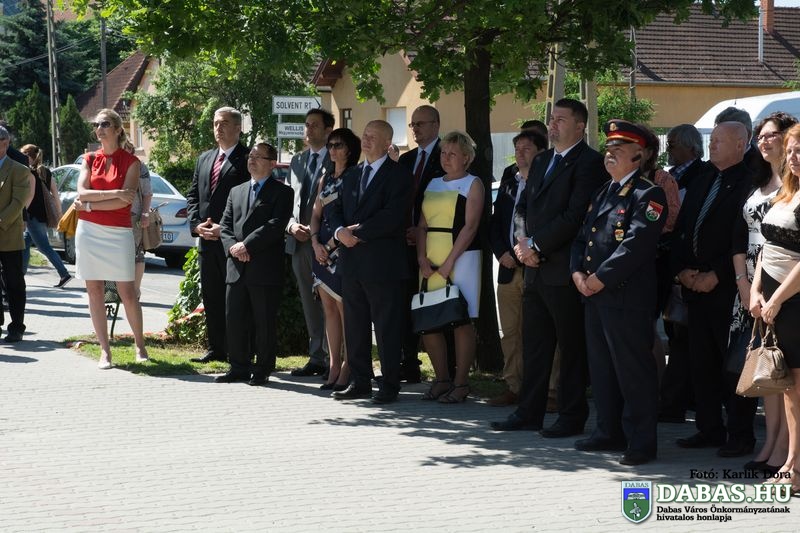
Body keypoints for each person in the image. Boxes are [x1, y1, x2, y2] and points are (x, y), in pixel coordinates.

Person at [490, 98, 607, 436]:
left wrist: (537, 246)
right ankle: (529, 412)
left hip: (565, 270)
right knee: (535, 345)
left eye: (561, 120)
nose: (552, 125)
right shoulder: (542, 160)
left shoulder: (590, 163)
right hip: (534, 269)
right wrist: (523, 245)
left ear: (580, 127)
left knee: (570, 348)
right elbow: (523, 207)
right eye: (552, 119)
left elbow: (574, 216)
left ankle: (571, 415)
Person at [571, 120, 668, 466]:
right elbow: (582, 239)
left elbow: (636, 245)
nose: (609, 153)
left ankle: (641, 442)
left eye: (618, 149)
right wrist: (577, 273)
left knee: (633, 372)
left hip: (625, 298)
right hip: (595, 295)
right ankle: (608, 431)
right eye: (608, 148)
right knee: (602, 369)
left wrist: (600, 278)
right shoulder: (603, 192)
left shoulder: (648, 194)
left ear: (638, 156)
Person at [671, 121, 754, 454]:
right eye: (712, 139)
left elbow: (744, 239)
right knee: (701, 363)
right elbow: (682, 228)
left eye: (720, 140)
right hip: (693, 285)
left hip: (728, 289)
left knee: (732, 365)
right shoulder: (703, 178)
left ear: (740, 145)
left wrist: (717, 274)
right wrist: (681, 270)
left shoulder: (749, 183)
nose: (712, 144)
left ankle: (740, 435)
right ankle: (709, 428)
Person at [329, 120, 412, 404]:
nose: (365, 140)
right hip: (352, 262)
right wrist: (339, 232)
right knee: (355, 325)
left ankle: (389, 385)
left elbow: (393, 215)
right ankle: (360, 381)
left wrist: (358, 234)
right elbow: (335, 209)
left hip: (382, 263)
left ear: (388, 143)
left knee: (387, 327)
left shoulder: (399, 175)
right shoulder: (352, 174)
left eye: (372, 137)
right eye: (364, 135)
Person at [736, 112, 797, 472]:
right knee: (774, 374)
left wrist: (772, 297)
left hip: (788, 294)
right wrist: (751, 287)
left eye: (771, 135)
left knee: (791, 380)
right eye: (759, 136)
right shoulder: (764, 184)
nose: (763, 141)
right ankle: (776, 447)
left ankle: (789, 457)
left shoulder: (794, 190)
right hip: (762, 290)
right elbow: (753, 242)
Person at [73, 109, 146, 368]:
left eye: (105, 124)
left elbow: (124, 202)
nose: (99, 129)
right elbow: (81, 192)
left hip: (118, 232)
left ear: (117, 129)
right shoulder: (89, 158)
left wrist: (89, 205)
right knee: (94, 291)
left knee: (127, 291)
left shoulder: (132, 162)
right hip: (88, 232)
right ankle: (105, 351)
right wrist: (113, 193)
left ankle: (140, 346)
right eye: (96, 124)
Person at [416, 131, 485, 403]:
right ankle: (441, 379)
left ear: (466, 158)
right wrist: (422, 258)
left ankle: (461, 383)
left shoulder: (473, 183)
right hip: (430, 257)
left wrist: (448, 263)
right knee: (429, 318)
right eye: (443, 153)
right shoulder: (433, 183)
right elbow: (421, 225)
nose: (446, 158)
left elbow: (471, 227)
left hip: (462, 258)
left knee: (461, 320)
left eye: (452, 153)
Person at [217, 142, 294, 385]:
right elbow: (225, 225)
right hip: (237, 267)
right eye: (251, 155)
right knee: (235, 319)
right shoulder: (236, 191)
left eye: (258, 156)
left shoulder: (283, 192)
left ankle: (263, 368)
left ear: (272, 164)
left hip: (264, 268)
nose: (252, 159)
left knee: (264, 322)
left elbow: (275, 225)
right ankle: (238, 366)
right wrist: (233, 247)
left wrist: (247, 246)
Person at [750, 123, 800, 492]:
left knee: (795, 389)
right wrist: (756, 291)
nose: (794, 157)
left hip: (793, 302)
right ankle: (790, 461)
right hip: (772, 302)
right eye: (792, 149)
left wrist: (777, 299)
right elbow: (767, 248)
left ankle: (794, 468)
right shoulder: (786, 192)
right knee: (787, 389)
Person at [186, 106, 250, 364]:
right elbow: (193, 196)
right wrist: (196, 225)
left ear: (238, 128)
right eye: (215, 123)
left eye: (224, 123)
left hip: (232, 242)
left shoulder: (247, 159)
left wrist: (224, 230)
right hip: (206, 241)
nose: (218, 128)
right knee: (211, 296)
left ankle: (239, 350)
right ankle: (217, 349)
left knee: (235, 299)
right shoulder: (205, 159)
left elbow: (250, 202)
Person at [488, 129, 547, 407]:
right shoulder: (510, 182)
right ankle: (514, 386)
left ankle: (551, 392)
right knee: (511, 332)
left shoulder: (547, 181)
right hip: (509, 268)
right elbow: (496, 222)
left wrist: (525, 252)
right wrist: (502, 253)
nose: (520, 153)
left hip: (537, 267)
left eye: (526, 148)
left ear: (541, 153)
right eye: (517, 148)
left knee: (542, 333)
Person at [659, 123, 709, 423]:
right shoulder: (670, 175)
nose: (670, 149)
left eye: (674, 143)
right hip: (672, 263)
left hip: (691, 266)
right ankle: (677, 400)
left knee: (684, 338)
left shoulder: (701, 175)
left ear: (691, 146)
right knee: (676, 333)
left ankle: (676, 403)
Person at [310, 128, 361, 391]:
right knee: (328, 309)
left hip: (342, 249)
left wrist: (331, 245)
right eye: (330, 145)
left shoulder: (356, 176)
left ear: (349, 149)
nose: (332, 149)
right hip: (321, 250)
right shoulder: (325, 178)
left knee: (345, 312)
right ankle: (333, 364)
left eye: (338, 145)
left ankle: (349, 367)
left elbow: (355, 218)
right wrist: (315, 242)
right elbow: (315, 214)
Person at [398, 104, 445, 383]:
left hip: (436, 244)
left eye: (420, 124)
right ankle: (409, 363)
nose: (415, 129)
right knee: (405, 303)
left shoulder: (447, 155)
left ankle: (446, 371)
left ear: (436, 125)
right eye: (412, 124)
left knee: (434, 304)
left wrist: (422, 232)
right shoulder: (406, 160)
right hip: (404, 243)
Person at [287, 108, 333, 378]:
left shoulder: (337, 159)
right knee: (308, 301)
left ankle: (335, 359)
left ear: (328, 130)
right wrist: (291, 226)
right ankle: (316, 357)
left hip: (326, 244)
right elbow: (288, 201)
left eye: (315, 125)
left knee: (331, 302)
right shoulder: (297, 161)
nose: (308, 129)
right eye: (306, 124)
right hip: (299, 242)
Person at [19, 144, 71, 288]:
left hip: (32, 215)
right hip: (43, 214)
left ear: (29, 157)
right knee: (24, 244)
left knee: (44, 247)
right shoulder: (46, 171)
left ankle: (64, 274)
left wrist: (21, 213)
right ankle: (20, 277)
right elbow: (55, 194)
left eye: (23, 155)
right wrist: (59, 213)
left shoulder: (29, 172)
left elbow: (30, 196)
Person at [0, 126, 31, 342]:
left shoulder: (19, 169)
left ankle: (17, 326)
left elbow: (18, 202)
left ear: (6, 143)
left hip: (9, 234)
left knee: (14, 283)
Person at [124, 141, 153, 297]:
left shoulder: (140, 167)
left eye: (127, 149)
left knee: (137, 253)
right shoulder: (112, 163)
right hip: (113, 215)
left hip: (134, 215)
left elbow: (147, 193)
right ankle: (119, 291)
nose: (124, 151)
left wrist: (145, 214)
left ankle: (135, 290)